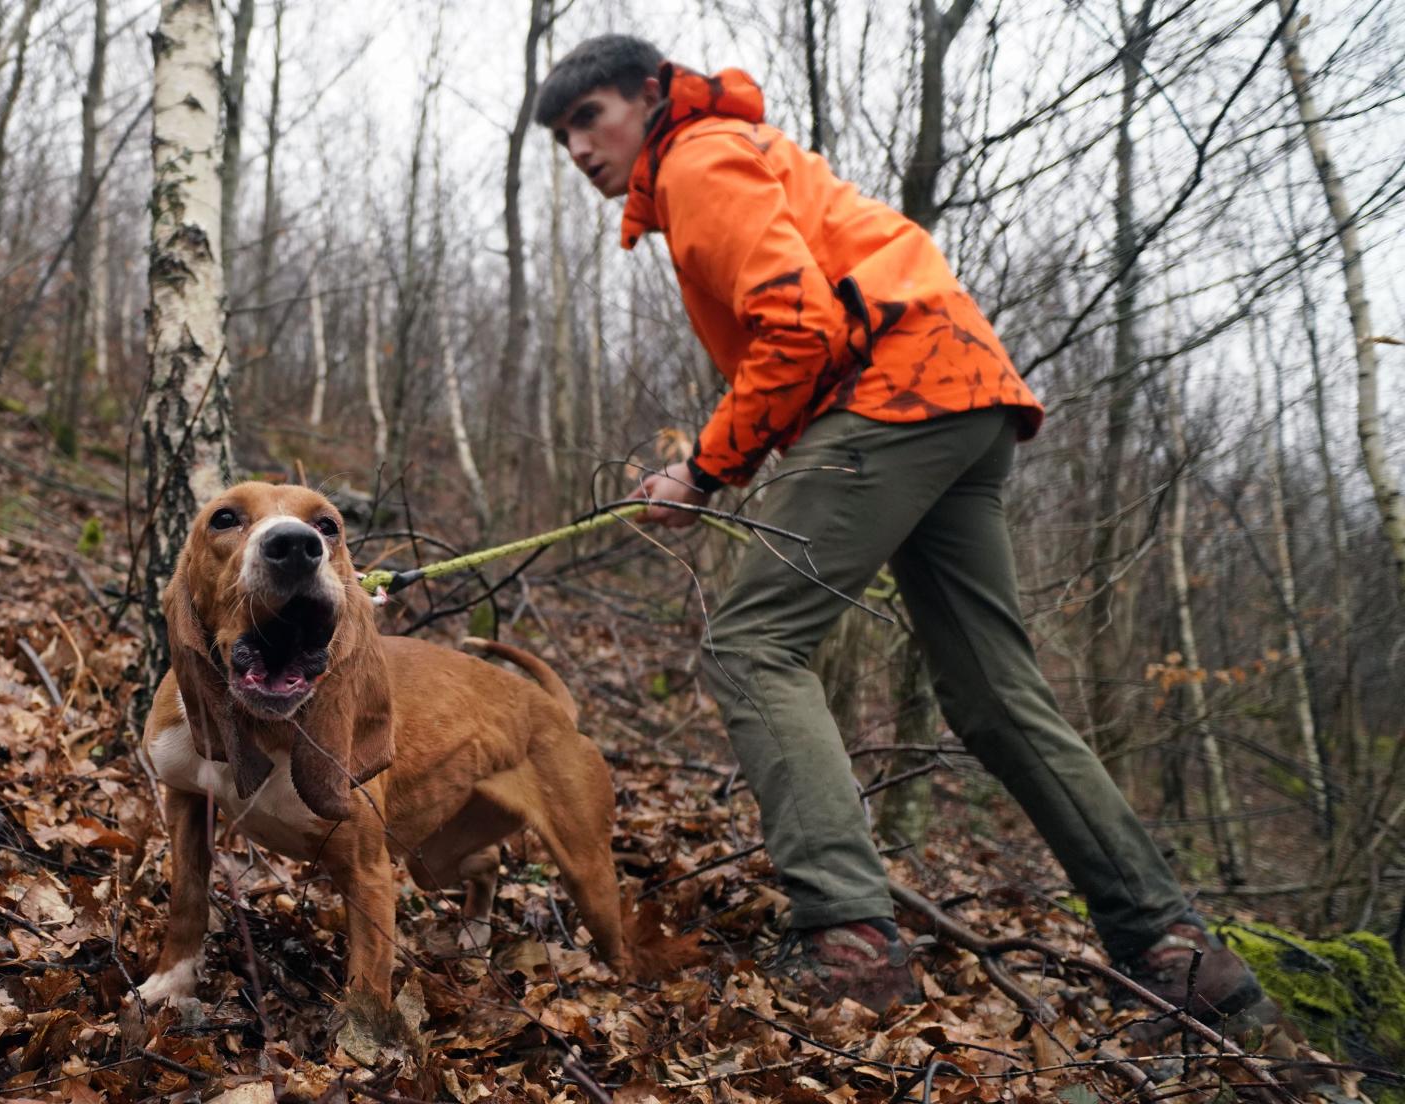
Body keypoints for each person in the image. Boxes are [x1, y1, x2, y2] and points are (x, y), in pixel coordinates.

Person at [535, 34, 1266, 1021]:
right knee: (994, 694)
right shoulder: (725, 158)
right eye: (561, 133)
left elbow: (799, 325)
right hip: (962, 398)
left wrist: (704, 470)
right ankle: (1173, 948)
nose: (578, 146)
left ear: (651, 99)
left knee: (753, 646)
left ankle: (847, 936)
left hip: (892, 395)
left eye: (590, 117)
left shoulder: (700, 157)